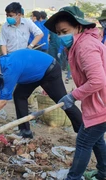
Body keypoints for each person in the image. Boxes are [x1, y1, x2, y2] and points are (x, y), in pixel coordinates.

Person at [45, 6, 106, 180]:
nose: (61, 36)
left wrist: (73, 96)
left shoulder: (85, 46)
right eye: (58, 33)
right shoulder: (78, 44)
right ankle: (103, 173)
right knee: (97, 140)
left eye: (65, 31)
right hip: (99, 102)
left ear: (78, 26)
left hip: (102, 104)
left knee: (84, 141)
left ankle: (73, 178)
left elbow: (98, 80)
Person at [0, 49, 83, 138]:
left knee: (63, 101)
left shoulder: (9, 69)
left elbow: (3, 101)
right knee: (19, 96)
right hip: (33, 74)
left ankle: (84, 130)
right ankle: (25, 132)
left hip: (49, 70)